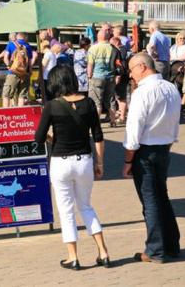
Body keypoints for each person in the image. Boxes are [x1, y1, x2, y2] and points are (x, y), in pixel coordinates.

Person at [34, 65, 109, 270]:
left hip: (61, 162)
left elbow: (39, 138)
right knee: (86, 206)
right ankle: (103, 252)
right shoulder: (89, 103)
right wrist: (100, 162)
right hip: (84, 161)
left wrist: (53, 136)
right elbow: (99, 135)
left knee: (66, 211)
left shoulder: (52, 106)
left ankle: (73, 257)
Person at [123, 53, 181, 263]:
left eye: (131, 70)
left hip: (146, 150)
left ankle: (156, 249)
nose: (130, 75)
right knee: (161, 196)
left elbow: (134, 129)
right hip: (164, 146)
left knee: (150, 200)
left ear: (142, 67)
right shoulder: (170, 87)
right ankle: (171, 244)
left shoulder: (142, 92)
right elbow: (176, 118)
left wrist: (128, 160)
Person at [87, 29, 118, 126]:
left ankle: (95, 124)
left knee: (96, 101)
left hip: (97, 77)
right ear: (108, 37)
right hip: (110, 77)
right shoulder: (113, 48)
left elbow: (90, 64)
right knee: (110, 100)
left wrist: (89, 75)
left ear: (98, 37)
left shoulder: (93, 48)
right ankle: (113, 121)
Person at [1, 32, 37, 107]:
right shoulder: (28, 46)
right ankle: (20, 114)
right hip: (24, 74)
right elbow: (29, 62)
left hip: (13, 73)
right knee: (22, 95)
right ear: (25, 37)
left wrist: (9, 66)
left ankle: (5, 114)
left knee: (6, 94)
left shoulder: (11, 44)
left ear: (17, 36)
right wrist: (29, 72)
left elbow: (5, 58)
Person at [110, 34, 128, 125]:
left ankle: (122, 117)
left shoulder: (121, 50)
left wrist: (118, 76)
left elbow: (120, 64)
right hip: (121, 75)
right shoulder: (121, 50)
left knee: (121, 97)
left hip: (122, 75)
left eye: (112, 44)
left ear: (116, 42)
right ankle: (121, 113)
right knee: (118, 97)